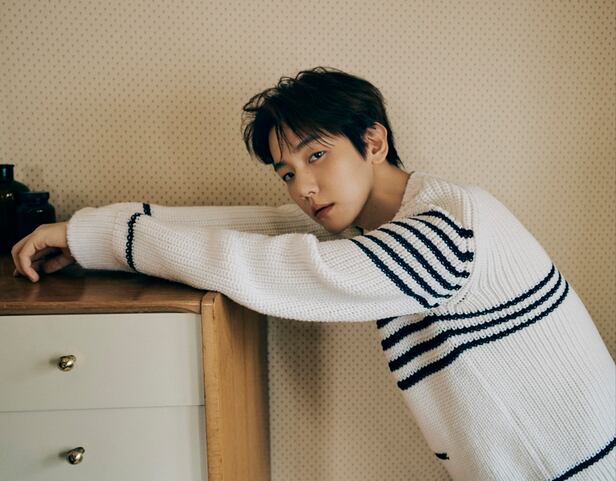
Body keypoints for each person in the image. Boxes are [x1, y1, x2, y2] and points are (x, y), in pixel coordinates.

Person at [10, 66, 615, 480]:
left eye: (316, 155)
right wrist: (87, 236)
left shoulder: (445, 232)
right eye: (286, 171)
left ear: (373, 142)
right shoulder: (402, 217)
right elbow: (259, 228)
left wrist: (101, 237)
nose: (302, 186)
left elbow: (279, 266)